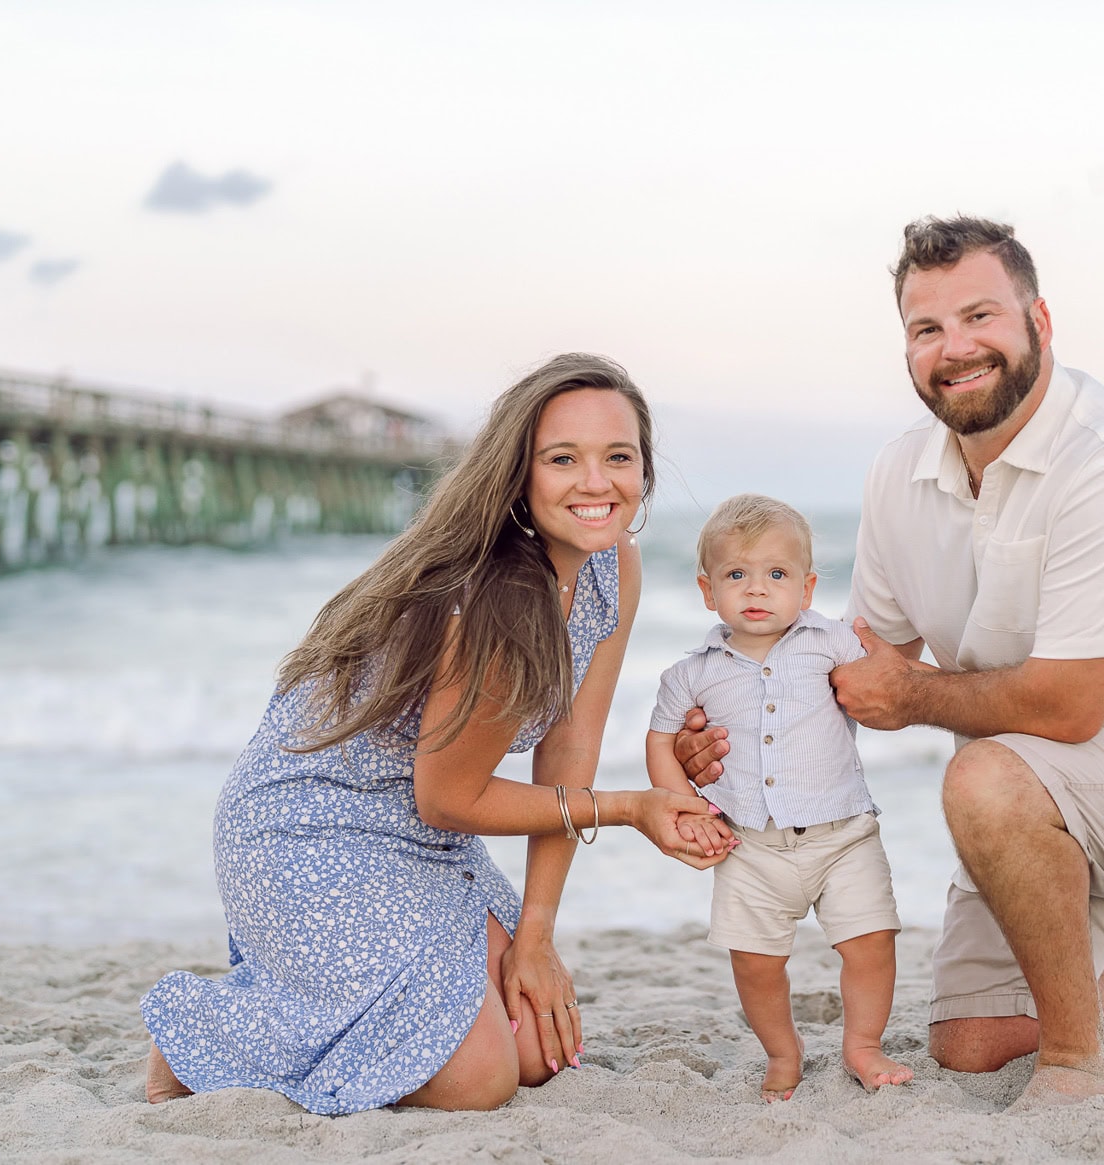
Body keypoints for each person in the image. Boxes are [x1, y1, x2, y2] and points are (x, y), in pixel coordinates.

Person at [675, 217, 1104, 1110]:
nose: (954, 348)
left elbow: (1071, 706)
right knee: (970, 1043)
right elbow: (866, 662)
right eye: (927, 329)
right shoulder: (902, 473)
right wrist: (733, 721)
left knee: (982, 777)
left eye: (980, 316)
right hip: (1036, 785)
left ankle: (1080, 1061)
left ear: (1040, 320)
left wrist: (915, 696)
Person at [141, 353, 723, 1114]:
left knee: (540, 1051)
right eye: (562, 459)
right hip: (309, 827)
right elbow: (450, 794)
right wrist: (631, 807)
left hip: (424, 836)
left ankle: (322, 999)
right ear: (520, 473)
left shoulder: (614, 564)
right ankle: (202, 1035)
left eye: (619, 456)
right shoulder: (497, 597)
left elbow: (569, 755)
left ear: (644, 467)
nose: (595, 482)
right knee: (482, 1077)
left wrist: (538, 934)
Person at [645, 494, 913, 1101]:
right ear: (708, 591)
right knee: (755, 962)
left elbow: (886, 688)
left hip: (843, 834)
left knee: (871, 942)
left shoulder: (833, 644)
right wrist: (682, 804)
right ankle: (782, 1053)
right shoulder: (692, 673)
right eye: (736, 575)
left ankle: (863, 1045)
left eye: (777, 574)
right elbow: (661, 739)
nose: (756, 589)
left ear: (808, 587)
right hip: (750, 847)